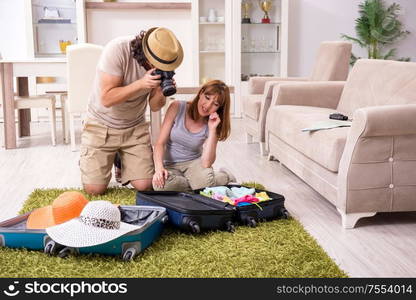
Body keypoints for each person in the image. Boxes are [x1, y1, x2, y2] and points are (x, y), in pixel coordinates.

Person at [80, 27, 183, 195]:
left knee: (145, 185)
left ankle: (121, 159)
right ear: (148, 57)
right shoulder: (117, 50)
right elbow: (106, 99)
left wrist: (159, 91)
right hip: (101, 124)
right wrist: (141, 84)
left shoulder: (163, 64)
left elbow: (156, 106)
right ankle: (106, 157)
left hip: (134, 127)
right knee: (94, 189)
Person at [152, 80, 236, 191]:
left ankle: (225, 176)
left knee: (204, 183)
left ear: (219, 108)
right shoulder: (177, 107)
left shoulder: (213, 123)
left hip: (194, 164)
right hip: (170, 164)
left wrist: (212, 129)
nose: (208, 105)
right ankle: (201, 183)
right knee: (160, 185)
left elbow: (206, 162)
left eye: (215, 104)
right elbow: (160, 143)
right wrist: (159, 169)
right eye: (207, 98)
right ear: (201, 93)